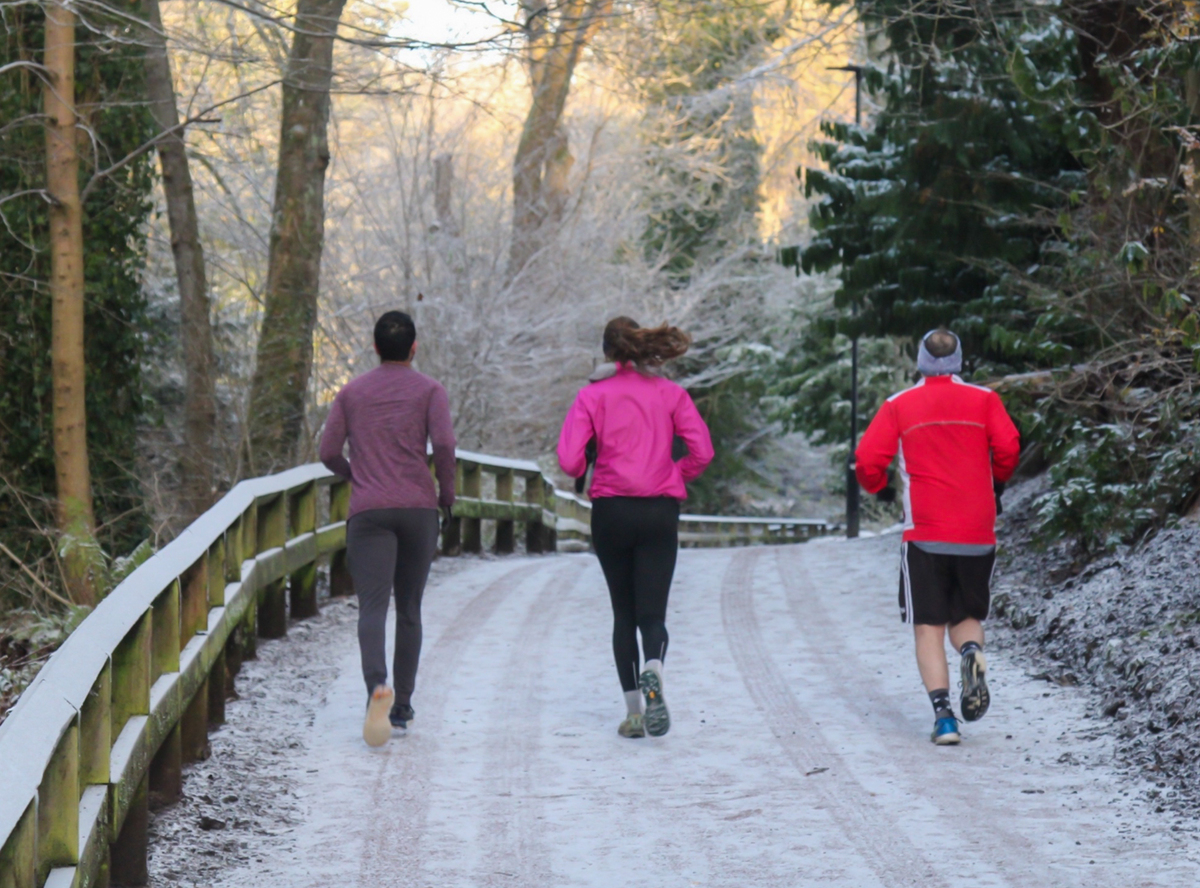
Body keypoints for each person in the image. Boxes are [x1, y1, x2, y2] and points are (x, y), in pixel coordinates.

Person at [854, 329, 1020, 745]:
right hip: (977, 528)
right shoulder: (985, 400)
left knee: (928, 625)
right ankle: (970, 653)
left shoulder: (899, 405)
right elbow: (1009, 446)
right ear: (959, 360)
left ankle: (945, 719)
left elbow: (867, 459)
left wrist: (881, 488)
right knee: (966, 616)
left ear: (921, 361)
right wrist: (996, 483)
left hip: (925, 530)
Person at [557, 317, 714, 739]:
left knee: (623, 612)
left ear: (607, 353)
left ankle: (632, 713)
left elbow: (570, 462)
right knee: (653, 612)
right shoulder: (672, 394)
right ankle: (654, 669)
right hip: (659, 510)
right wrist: (676, 472)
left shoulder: (591, 396)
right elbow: (703, 450)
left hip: (612, 511)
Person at [319, 311, 457, 746]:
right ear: (414, 348)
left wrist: (354, 474)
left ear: (375, 347)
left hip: (370, 511)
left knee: (372, 608)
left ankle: (377, 688)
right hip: (418, 509)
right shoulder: (430, 390)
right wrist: (446, 494)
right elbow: (447, 444)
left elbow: (327, 451)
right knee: (410, 607)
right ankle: (401, 707)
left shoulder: (351, 393)